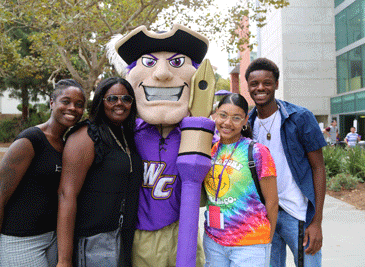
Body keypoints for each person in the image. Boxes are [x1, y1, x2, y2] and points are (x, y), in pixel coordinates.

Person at [111, 24, 215, 267]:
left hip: (183, 230)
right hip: (140, 235)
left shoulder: (198, 134)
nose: (162, 73)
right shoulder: (127, 135)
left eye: (177, 62)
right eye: (148, 62)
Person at [0, 79, 86, 267]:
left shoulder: (68, 144)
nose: (72, 108)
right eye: (66, 101)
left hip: (52, 239)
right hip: (20, 241)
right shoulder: (30, 141)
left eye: (79, 105)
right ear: (52, 102)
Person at [246, 58, 327, 267]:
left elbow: (318, 168)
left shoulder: (300, 117)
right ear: (248, 86)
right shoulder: (247, 124)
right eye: (254, 84)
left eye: (267, 82)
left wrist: (316, 221)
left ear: (276, 84)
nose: (260, 88)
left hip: (298, 214)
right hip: (265, 217)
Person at [56, 77, 143, 267]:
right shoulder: (86, 135)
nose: (120, 103)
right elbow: (66, 194)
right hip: (93, 242)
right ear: (101, 101)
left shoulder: (126, 135)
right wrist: (64, 260)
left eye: (126, 99)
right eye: (112, 98)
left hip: (124, 237)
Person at [203, 93, 278, 266]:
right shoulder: (210, 150)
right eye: (223, 115)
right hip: (214, 240)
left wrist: (267, 239)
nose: (227, 123)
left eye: (236, 118)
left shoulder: (258, 152)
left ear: (245, 121)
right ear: (215, 115)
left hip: (250, 244)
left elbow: (272, 202)